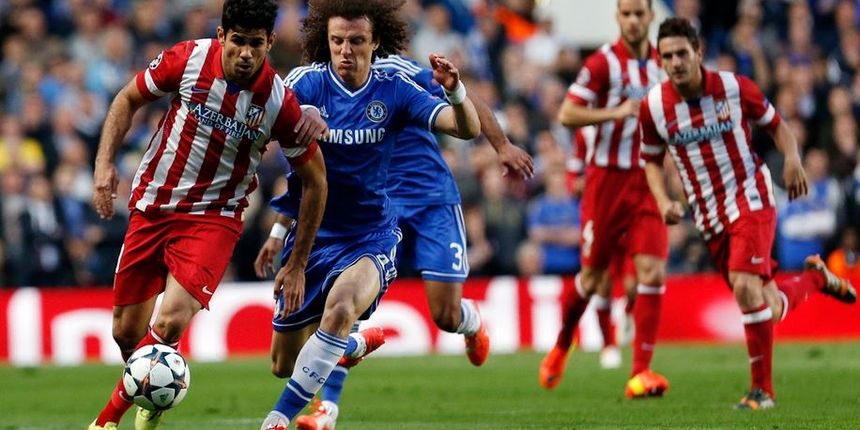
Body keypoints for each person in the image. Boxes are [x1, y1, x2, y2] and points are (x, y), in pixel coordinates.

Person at [255, 53, 534, 429]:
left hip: (429, 198)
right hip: (376, 206)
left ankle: (468, 320)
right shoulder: (321, 86)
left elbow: (466, 104)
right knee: (344, 305)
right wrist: (279, 230)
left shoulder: (398, 75)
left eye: (357, 39)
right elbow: (310, 174)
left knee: (445, 315)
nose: (346, 49)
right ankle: (326, 408)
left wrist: (501, 146)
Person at [86, 1, 330, 429]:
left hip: (214, 218)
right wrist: (104, 163)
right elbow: (128, 98)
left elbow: (316, 181)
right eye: (238, 41)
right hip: (153, 205)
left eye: (256, 44)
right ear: (221, 36)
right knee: (126, 334)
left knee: (169, 322)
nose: (246, 53)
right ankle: (156, 392)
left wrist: (297, 262)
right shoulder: (188, 59)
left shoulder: (278, 102)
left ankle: (105, 421)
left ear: (270, 42)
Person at [640, 17, 856, 409]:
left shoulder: (734, 88)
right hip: (708, 215)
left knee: (743, 285)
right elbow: (651, 161)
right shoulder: (654, 106)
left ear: (699, 53)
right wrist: (662, 200)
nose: (675, 63)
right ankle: (815, 279)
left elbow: (778, 126)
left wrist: (792, 159)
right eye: (667, 56)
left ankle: (763, 392)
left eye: (682, 53)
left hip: (750, 196)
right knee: (766, 305)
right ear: (660, 59)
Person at [540, 0, 671, 398]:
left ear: (651, 16)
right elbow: (567, 114)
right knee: (594, 279)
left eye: (639, 13)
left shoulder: (665, 63)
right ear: (618, 18)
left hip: (648, 178)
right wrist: (614, 113)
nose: (633, 21)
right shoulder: (602, 64)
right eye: (626, 14)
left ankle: (641, 372)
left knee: (652, 271)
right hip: (606, 182)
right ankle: (563, 344)